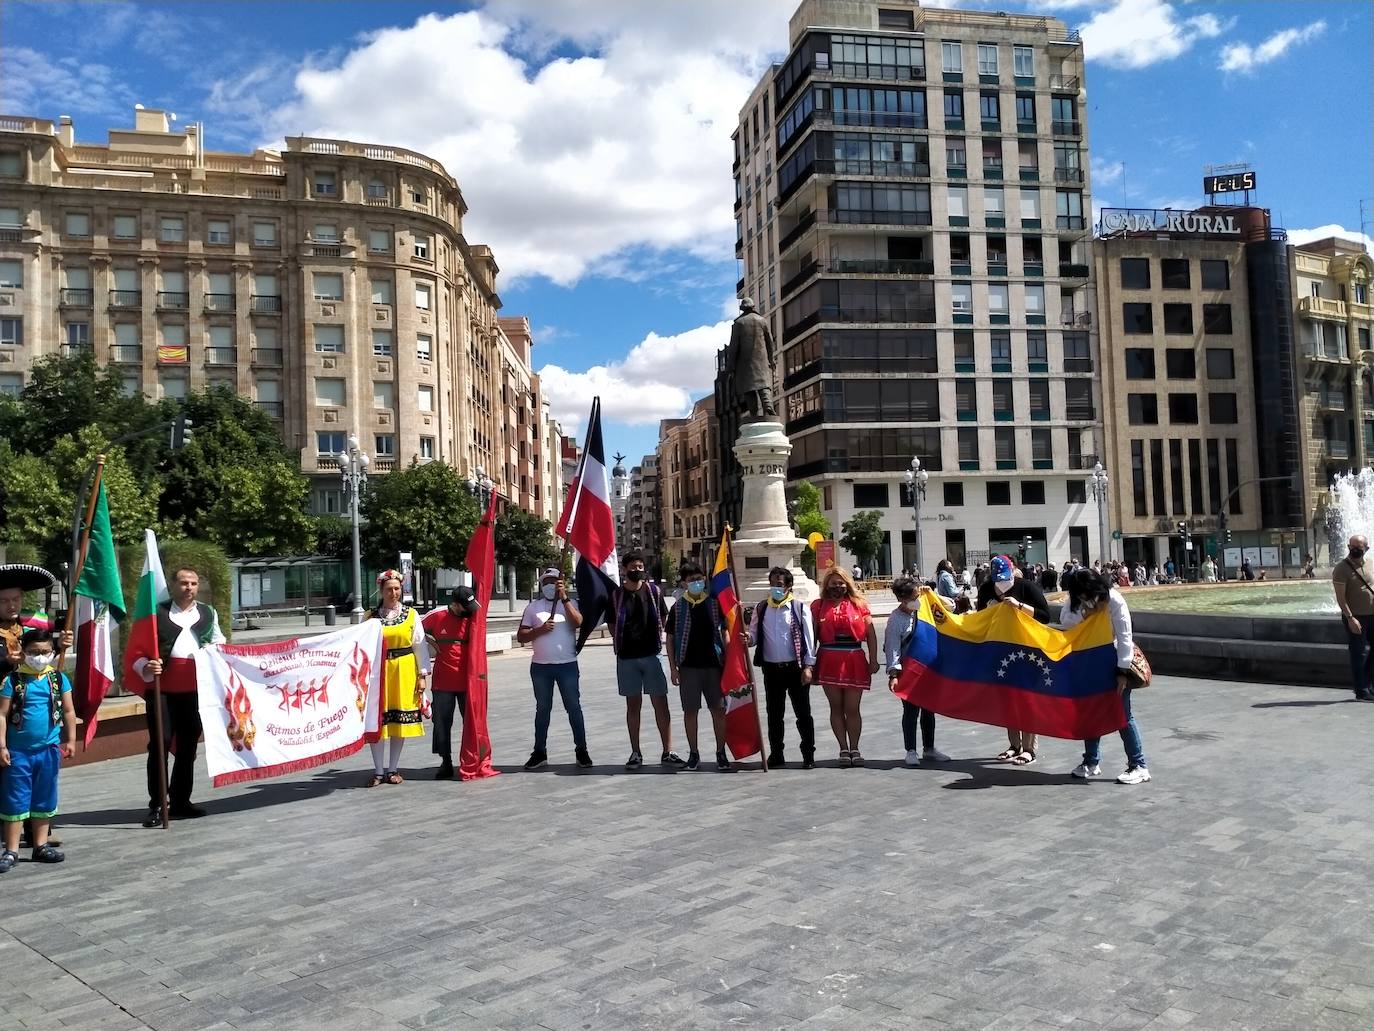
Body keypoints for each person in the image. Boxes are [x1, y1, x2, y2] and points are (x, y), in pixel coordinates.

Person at [126, 566, 224, 826]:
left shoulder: (208, 613)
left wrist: (213, 651)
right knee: (160, 743)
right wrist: (146, 666)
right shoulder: (156, 613)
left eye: (193, 583)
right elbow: (136, 649)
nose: (189, 588)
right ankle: (158, 804)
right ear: (172, 585)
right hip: (163, 691)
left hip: (195, 690)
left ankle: (181, 801)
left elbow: (219, 642)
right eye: (183, 583)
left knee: (188, 745)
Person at [1062, 569, 1150, 784]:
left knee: (1122, 714)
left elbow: (1124, 636)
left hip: (1112, 660)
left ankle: (1139, 765)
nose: (1084, 598)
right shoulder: (1078, 600)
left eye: (1086, 595)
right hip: (1088, 660)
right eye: (1080, 596)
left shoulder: (1114, 600)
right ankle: (1091, 762)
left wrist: (1122, 672)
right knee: (1090, 711)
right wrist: (1084, 613)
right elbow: (1065, 620)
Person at [0, 630, 76, 871]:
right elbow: (2, 714)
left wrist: (71, 740)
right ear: (23, 653)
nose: (39, 657)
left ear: (52, 653)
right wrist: (2, 745)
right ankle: (11, 850)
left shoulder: (58, 679)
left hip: (48, 750)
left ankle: (40, 845)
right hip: (18, 752)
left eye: (45, 652)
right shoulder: (13, 680)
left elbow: (69, 711)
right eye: (33, 653)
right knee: (16, 798)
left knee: (44, 796)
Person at [611, 551, 684, 770]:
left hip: (652, 655)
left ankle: (667, 751)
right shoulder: (616, 595)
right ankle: (636, 752)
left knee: (660, 704)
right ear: (624, 570)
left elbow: (663, 617)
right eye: (633, 567)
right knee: (633, 706)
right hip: (627, 659)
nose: (638, 570)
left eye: (641, 566)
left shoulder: (654, 592)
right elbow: (613, 625)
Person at [977, 555, 1051, 766]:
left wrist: (1019, 606)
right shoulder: (986, 589)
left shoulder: (1026, 587)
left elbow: (1045, 616)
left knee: (1027, 700)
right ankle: (1014, 744)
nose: (1002, 586)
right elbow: (979, 618)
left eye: (1005, 580)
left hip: (1028, 650)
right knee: (1008, 700)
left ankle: (1029, 749)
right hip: (1001, 650)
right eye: (998, 581)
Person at [516, 568, 591, 769]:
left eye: (553, 581)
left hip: (567, 665)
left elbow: (578, 622)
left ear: (561, 582)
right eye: (546, 581)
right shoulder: (533, 608)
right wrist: (540, 630)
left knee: (574, 708)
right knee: (542, 709)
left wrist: (565, 598)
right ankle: (539, 751)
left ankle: (581, 750)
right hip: (541, 668)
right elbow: (522, 636)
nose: (549, 585)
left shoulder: (571, 604)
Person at [363, 570, 429, 787]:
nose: (394, 593)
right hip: (378, 672)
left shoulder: (411, 615)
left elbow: (419, 645)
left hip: (404, 670)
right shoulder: (370, 617)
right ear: (381, 591)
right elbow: (360, 646)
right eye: (389, 589)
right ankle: (378, 770)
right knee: (378, 722)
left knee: (399, 721)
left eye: (397, 589)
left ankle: (393, 768)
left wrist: (422, 675)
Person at [663, 562, 731, 771]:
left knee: (718, 710)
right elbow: (670, 638)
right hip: (688, 667)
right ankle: (694, 753)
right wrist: (673, 668)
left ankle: (721, 752)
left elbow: (725, 631)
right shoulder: (678, 607)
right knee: (690, 711)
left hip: (713, 665)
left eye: (699, 578)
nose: (697, 583)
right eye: (692, 580)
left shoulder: (714, 603)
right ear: (684, 583)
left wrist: (730, 660)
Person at [748, 566, 816, 769]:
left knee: (803, 713)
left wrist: (808, 666)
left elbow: (809, 639)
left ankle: (808, 753)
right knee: (774, 714)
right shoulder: (762, 608)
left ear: (788, 586)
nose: (775, 588)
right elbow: (753, 635)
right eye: (773, 584)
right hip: (771, 669)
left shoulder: (798, 608)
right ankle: (776, 753)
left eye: (779, 585)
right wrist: (747, 638)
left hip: (795, 668)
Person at [811, 566, 878, 766]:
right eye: (833, 583)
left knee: (853, 708)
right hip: (828, 658)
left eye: (840, 583)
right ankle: (843, 747)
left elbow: (871, 633)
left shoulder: (859, 604)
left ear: (847, 584)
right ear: (827, 585)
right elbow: (812, 635)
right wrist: (808, 662)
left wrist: (873, 659)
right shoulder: (818, 605)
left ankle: (855, 747)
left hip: (853, 658)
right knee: (836, 707)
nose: (837, 587)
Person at [885, 578, 952, 767]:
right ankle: (911, 750)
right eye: (914, 596)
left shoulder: (925, 609)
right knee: (910, 711)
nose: (918, 599)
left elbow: (952, 606)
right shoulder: (896, 619)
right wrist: (893, 674)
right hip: (909, 671)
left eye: (918, 595)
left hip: (929, 669)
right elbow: (893, 647)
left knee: (929, 710)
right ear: (902, 598)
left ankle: (929, 749)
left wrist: (931, 593)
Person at [421, 585, 480, 779]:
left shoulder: (472, 615)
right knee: (442, 723)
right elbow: (414, 630)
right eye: (465, 607)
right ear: (455, 605)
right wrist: (429, 640)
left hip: (468, 681)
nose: (469, 610)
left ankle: (471, 759)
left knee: (471, 723)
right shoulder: (437, 616)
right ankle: (445, 760)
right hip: (443, 681)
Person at [1333, 535, 1374, 701]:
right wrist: (1350, 618)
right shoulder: (1341, 568)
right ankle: (1361, 690)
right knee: (1358, 654)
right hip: (1356, 617)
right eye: (1352, 546)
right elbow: (1340, 597)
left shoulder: (1371, 563)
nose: (1354, 550)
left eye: (1359, 547)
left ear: (1366, 549)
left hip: (1373, 615)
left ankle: (1369, 683)